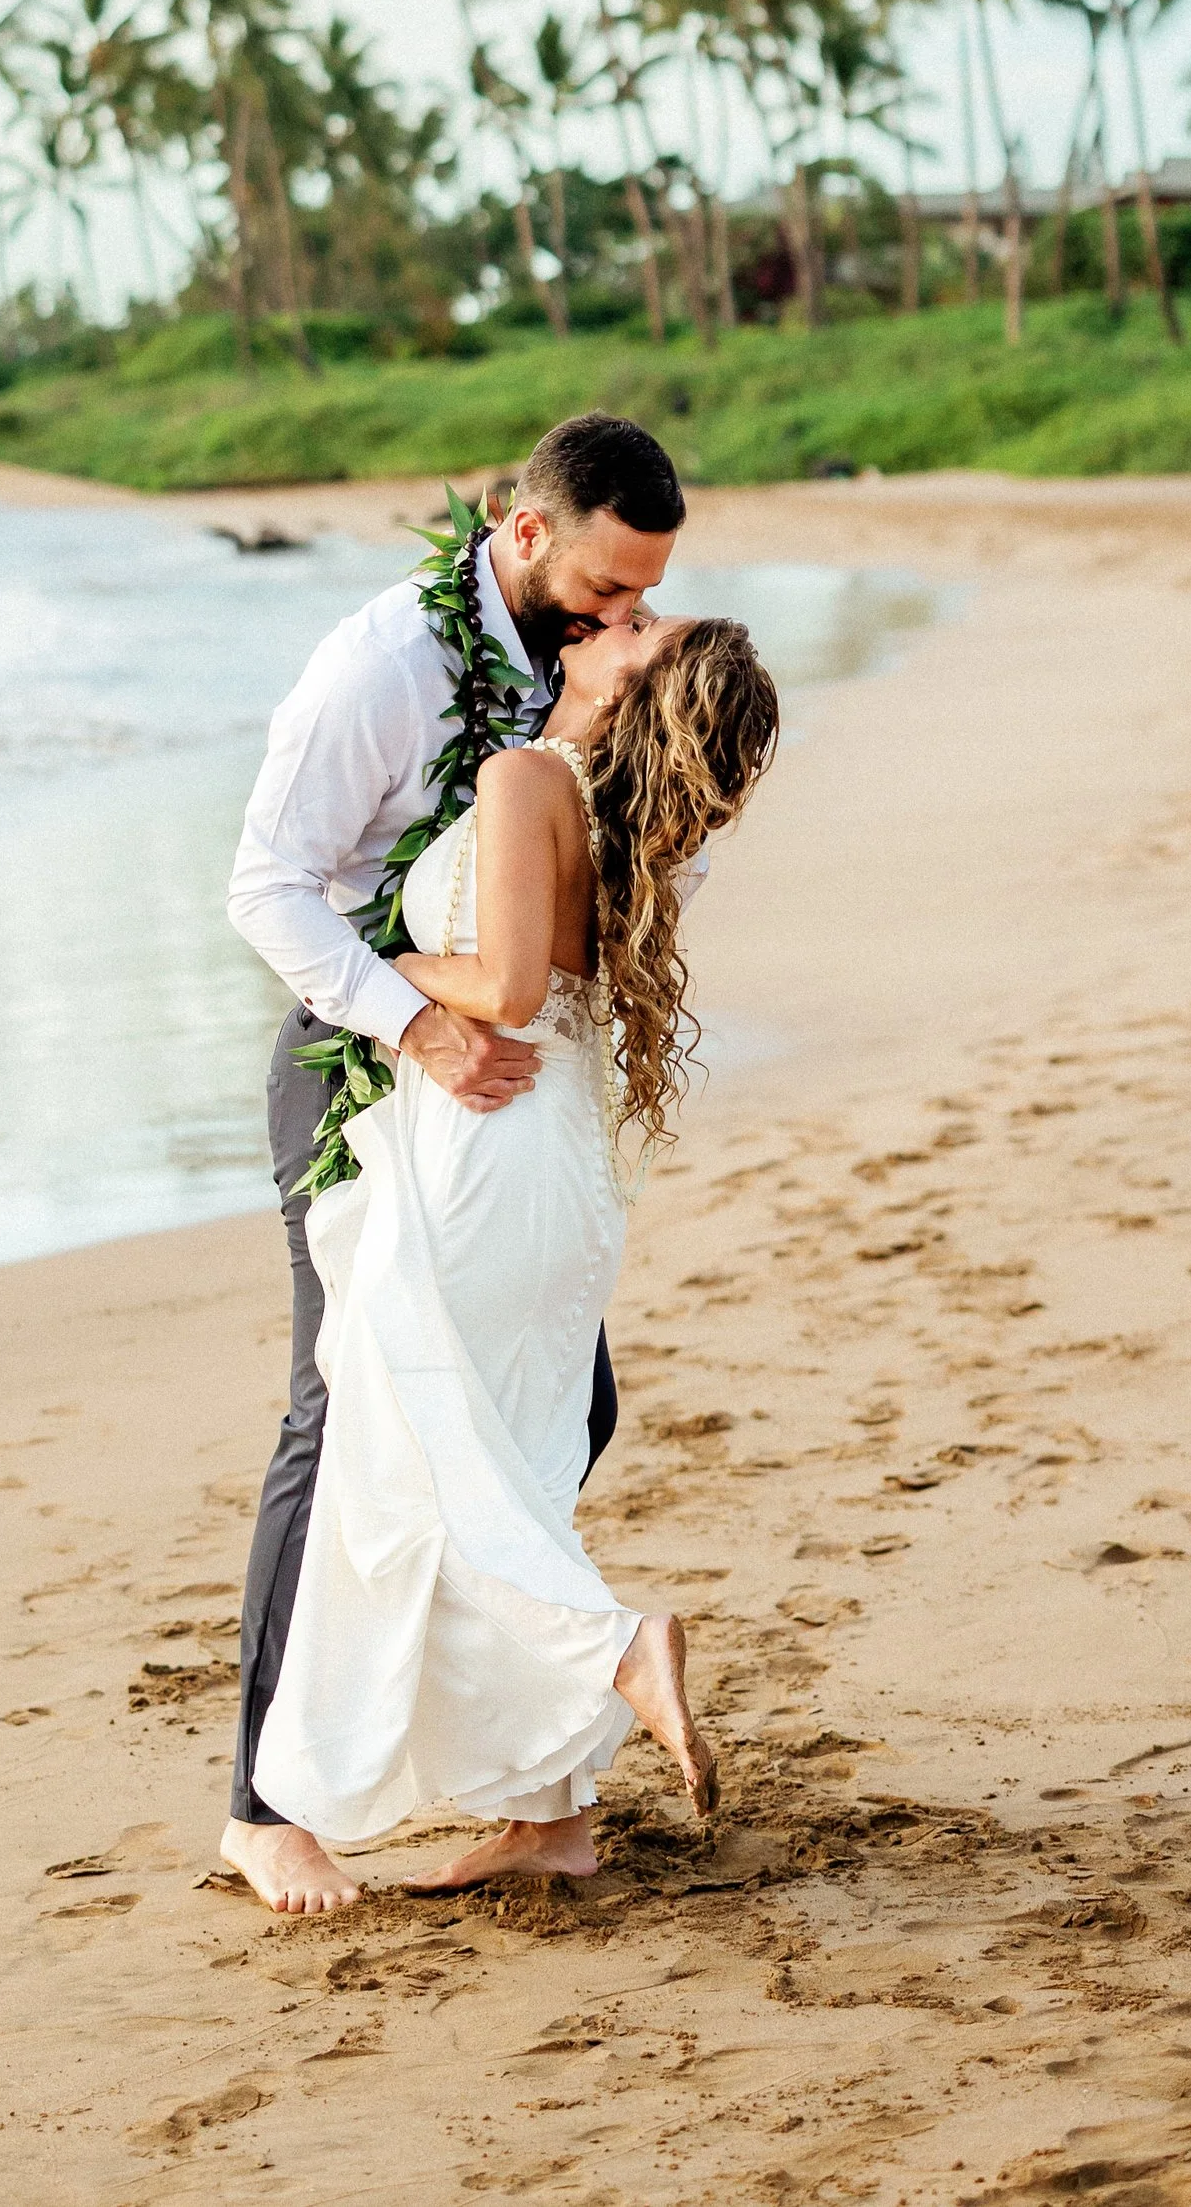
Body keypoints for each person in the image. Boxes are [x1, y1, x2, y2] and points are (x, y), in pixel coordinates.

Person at [220, 411, 690, 1918]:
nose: (623, 618)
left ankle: (519, 1770)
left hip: (492, 1091)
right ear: (524, 526)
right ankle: (265, 1804)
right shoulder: (384, 665)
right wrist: (413, 1017)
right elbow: (268, 888)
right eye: (607, 589)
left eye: (646, 595)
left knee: (565, 1398)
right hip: (362, 1063)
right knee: (341, 1400)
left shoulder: (567, 679)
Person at [248, 605, 778, 1885]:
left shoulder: (525, 776)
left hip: (491, 1143)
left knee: (416, 1446)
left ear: (624, 684)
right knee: (509, 1453)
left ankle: (611, 1649)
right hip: (560, 1158)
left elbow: (509, 989)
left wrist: (391, 961)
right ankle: (553, 1821)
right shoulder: (633, 817)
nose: (606, 621)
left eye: (634, 626)